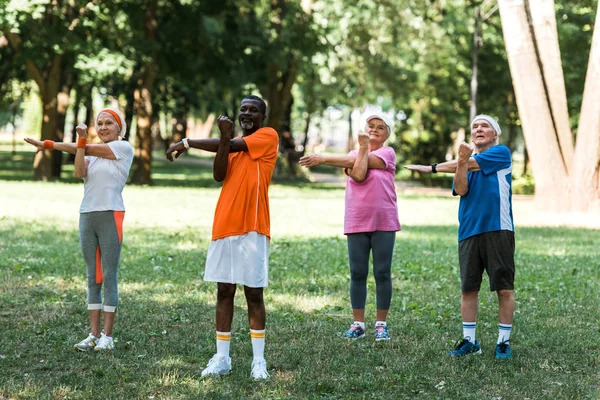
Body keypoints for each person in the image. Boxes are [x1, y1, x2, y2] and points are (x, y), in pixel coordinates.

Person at [166, 95, 278, 380]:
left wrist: (188, 142)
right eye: (243, 109)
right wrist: (224, 140)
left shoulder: (267, 136)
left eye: (253, 110)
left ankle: (259, 361)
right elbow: (219, 174)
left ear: (262, 117)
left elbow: (235, 143)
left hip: (253, 227)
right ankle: (222, 358)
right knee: (224, 291)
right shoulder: (231, 145)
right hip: (225, 225)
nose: (247, 113)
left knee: (254, 293)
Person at [404, 114, 515, 360]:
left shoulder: (501, 153)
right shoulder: (465, 162)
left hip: (498, 229)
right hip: (468, 231)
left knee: (504, 288)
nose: (478, 129)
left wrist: (431, 167)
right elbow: (461, 188)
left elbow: (472, 163)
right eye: (475, 126)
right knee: (468, 288)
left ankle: (503, 343)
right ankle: (469, 340)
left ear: (494, 134)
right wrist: (461, 162)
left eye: (484, 125)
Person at [24, 108, 134, 352]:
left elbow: (86, 148)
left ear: (119, 128)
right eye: (100, 123)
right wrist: (80, 143)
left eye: (109, 123)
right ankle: (93, 335)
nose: (104, 127)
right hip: (87, 216)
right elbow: (78, 171)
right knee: (92, 276)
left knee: (109, 275)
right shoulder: (89, 152)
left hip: (111, 214)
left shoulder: (122, 148)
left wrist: (49, 144)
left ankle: (108, 336)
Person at [299, 113, 401, 341]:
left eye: (380, 127)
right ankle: (358, 324)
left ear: (386, 134)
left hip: (384, 220)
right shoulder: (355, 154)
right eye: (370, 126)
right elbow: (358, 174)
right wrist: (362, 149)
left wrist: (323, 158)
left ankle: (381, 324)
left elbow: (360, 167)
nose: (375, 130)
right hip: (357, 219)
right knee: (358, 272)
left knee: (382, 272)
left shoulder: (387, 153)